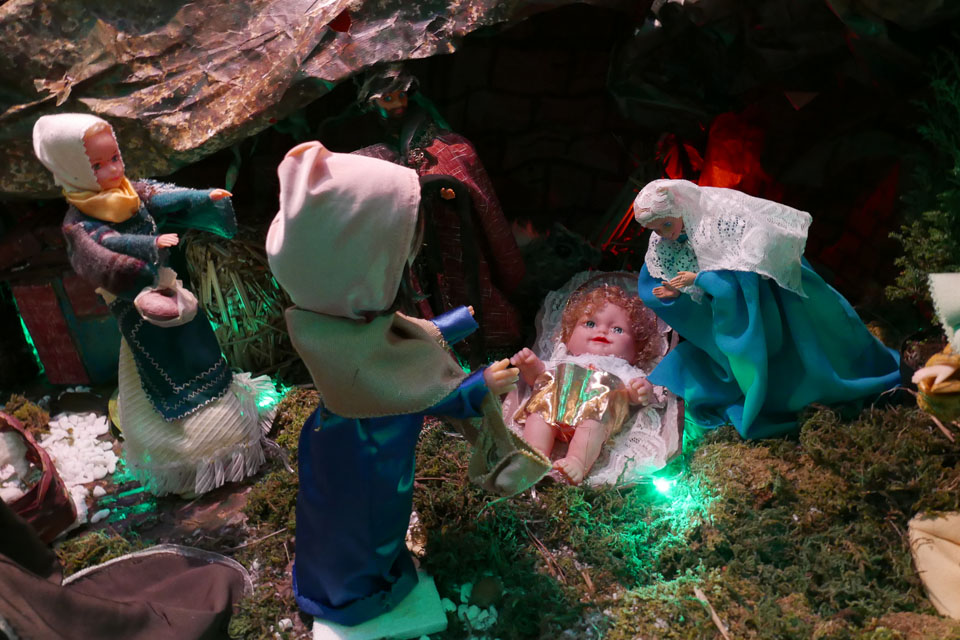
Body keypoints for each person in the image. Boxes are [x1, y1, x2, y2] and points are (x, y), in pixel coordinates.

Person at [265, 141, 547, 634]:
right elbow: (403, 389)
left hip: (357, 447)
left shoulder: (329, 318)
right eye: (394, 260)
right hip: (366, 458)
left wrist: (452, 324)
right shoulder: (349, 353)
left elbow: (394, 345)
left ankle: (351, 581)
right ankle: (354, 597)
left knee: (349, 525)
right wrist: (476, 387)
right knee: (363, 530)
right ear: (357, 268)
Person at [32, 113, 273, 496]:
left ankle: (231, 426)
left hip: (171, 287)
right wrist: (148, 247)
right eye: (98, 165)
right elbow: (100, 253)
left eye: (115, 158)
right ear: (73, 170)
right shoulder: (79, 223)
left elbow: (162, 196)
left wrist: (202, 198)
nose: (113, 170)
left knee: (199, 347)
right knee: (160, 367)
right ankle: (192, 456)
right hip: (137, 304)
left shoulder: (129, 192)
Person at [634, 178, 901, 439]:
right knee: (749, 356)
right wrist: (678, 293)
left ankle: (803, 387)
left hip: (767, 300)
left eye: (666, 225)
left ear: (681, 207)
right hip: (734, 307)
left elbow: (735, 273)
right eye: (656, 230)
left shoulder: (718, 220)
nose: (664, 234)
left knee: (799, 345)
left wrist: (699, 280)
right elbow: (671, 278)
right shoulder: (668, 244)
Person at [510, 284, 659, 485]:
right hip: (555, 404)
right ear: (568, 336)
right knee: (539, 413)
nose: (602, 331)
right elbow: (539, 379)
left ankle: (577, 461)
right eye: (590, 323)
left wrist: (639, 390)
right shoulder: (565, 359)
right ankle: (534, 454)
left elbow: (637, 393)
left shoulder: (622, 367)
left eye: (617, 329)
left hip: (596, 412)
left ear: (636, 349)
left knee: (593, 426)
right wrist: (530, 365)